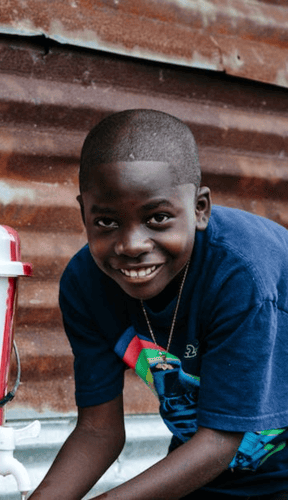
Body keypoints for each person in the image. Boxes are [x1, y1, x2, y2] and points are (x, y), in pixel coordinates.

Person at [28, 109, 288, 499]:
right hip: (210, 466)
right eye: (106, 222)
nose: (132, 245)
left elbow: (220, 441)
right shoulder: (86, 285)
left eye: (158, 218)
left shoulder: (240, 273)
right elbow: (99, 430)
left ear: (200, 209)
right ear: (84, 211)